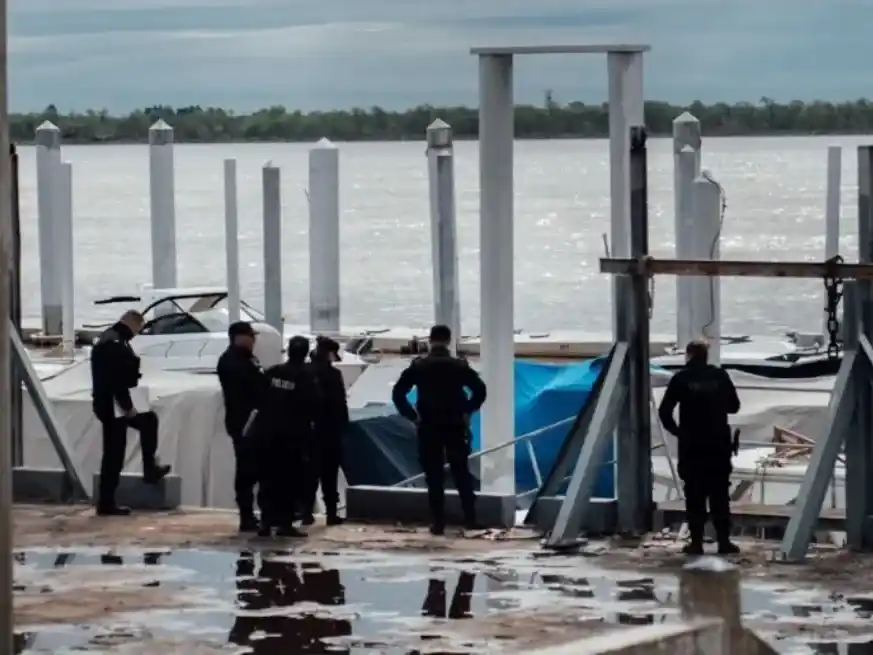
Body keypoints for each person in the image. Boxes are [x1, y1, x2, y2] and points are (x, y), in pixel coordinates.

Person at [391, 324, 487, 535]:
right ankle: (470, 520)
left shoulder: (419, 366)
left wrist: (412, 416)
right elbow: (480, 390)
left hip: (428, 426)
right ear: (448, 340)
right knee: (461, 472)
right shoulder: (459, 366)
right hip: (454, 425)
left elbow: (398, 393)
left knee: (433, 476)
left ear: (430, 340)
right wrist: (468, 411)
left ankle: (438, 523)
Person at [658, 339, 742, 556]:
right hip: (718, 445)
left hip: (692, 445)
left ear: (688, 355)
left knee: (694, 495)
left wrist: (678, 433)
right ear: (706, 356)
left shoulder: (680, 379)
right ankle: (724, 542)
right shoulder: (720, 376)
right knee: (720, 495)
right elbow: (734, 406)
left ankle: (696, 543)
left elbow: (664, 412)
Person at [91, 310, 171, 516]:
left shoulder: (113, 338)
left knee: (148, 422)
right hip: (114, 404)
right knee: (114, 453)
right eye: (139, 328)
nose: (138, 332)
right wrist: (128, 407)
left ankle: (149, 468)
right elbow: (115, 379)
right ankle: (107, 502)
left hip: (113, 401)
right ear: (133, 324)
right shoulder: (114, 343)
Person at [252, 335, 320, 537]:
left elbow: (259, 397)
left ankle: (265, 522)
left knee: (267, 480)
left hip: (267, 434)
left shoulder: (273, 372)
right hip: (292, 437)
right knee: (290, 481)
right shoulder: (307, 377)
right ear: (306, 353)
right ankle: (285, 524)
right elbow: (315, 407)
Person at [217, 321, 268, 532]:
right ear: (239, 337)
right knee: (246, 472)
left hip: (254, 421)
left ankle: (260, 514)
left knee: (260, 469)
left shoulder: (247, 358)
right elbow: (251, 386)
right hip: (244, 422)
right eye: (251, 336)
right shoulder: (232, 361)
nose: (254, 340)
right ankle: (246, 516)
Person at [302, 336, 350, 526]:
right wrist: (344, 429)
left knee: (308, 475)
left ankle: (306, 513)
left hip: (307, 432)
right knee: (329, 474)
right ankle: (331, 513)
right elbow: (340, 404)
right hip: (330, 431)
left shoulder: (304, 371)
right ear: (330, 354)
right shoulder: (333, 375)